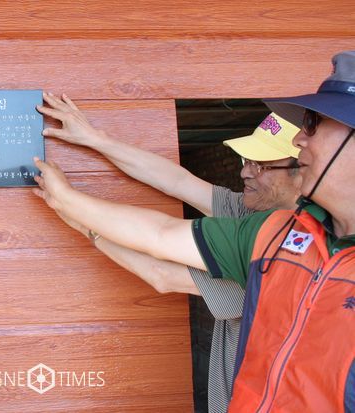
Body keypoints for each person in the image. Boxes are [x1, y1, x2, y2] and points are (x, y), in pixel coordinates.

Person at [32, 50, 355, 412]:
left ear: (296, 177)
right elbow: (176, 182)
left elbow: (161, 273)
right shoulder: (263, 224)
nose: (245, 172)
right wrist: (94, 138)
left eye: (262, 166)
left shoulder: (269, 251)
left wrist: (81, 220)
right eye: (246, 161)